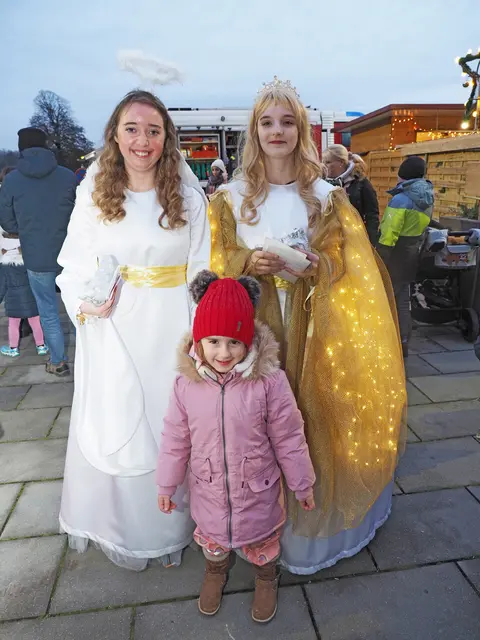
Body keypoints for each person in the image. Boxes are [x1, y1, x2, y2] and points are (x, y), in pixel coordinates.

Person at [207, 77, 406, 575]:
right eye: (267, 122)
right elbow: (214, 261)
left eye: (287, 122)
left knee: (311, 421)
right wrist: (247, 262)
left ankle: (307, 525)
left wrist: (318, 266)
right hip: (255, 329)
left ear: (301, 130)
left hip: (316, 328)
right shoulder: (230, 199)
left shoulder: (326, 196)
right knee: (256, 426)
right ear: (255, 131)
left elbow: (351, 264)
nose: (277, 131)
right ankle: (256, 525)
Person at [56, 90, 210, 570]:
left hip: (172, 326)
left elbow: (201, 267)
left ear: (166, 138)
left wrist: (201, 333)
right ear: (115, 136)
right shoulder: (94, 193)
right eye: (132, 129)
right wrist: (85, 304)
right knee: (117, 419)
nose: (143, 140)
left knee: (169, 422)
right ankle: (120, 527)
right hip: (114, 326)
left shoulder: (188, 197)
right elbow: (74, 263)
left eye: (153, 130)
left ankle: (168, 530)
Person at [157, 271, 315, 623]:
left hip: (256, 488)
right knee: (212, 537)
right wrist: (166, 484)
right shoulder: (186, 385)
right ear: (199, 340)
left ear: (248, 341)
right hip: (209, 487)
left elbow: (289, 436)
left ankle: (266, 576)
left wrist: (302, 483)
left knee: (263, 541)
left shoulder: (270, 382)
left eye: (234, 342)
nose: (224, 352)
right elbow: (175, 437)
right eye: (213, 341)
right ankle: (216, 569)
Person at [0, 127, 77, 376]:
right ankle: (88, 359)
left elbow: (7, 222)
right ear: (45, 146)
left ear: (21, 148)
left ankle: (58, 361)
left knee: (48, 311)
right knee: (77, 307)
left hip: (36, 255)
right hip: (71, 253)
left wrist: (26, 230)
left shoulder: (12, 180)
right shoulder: (67, 176)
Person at [377, 156, 434, 358]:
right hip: (411, 253)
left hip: (394, 255)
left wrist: (380, 256)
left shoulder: (401, 199)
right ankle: (403, 341)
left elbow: (389, 233)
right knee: (402, 300)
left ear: (402, 175)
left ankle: (385, 341)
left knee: (385, 298)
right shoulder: (427, 198)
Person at [0, 227, 48, 358]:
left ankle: (13, 348)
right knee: (36, 322)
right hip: (30, 298)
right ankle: (41, 346)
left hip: (13, 301)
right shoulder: (28, 262)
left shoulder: (4, 266)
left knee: (13, 325)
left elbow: (2, 286)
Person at [323, 144, 380, 245]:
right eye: (323, 162)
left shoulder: (361, 183)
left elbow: (372, 214)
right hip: (330, 240)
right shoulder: (322, 184)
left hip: (356, 239)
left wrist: (370, 241)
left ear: (341, 162)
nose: (324, 166)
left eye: (328, 162)